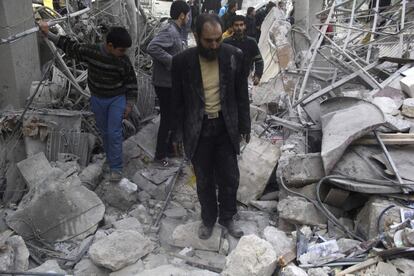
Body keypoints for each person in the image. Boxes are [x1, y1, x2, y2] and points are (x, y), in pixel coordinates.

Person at [171, 14, 251, 239]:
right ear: (196, 37)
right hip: (199, 129)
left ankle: (228, 217)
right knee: (204, 179)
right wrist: (176, 134)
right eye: (209, 41)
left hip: (226, 127)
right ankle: (208, 219)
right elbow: (176, 102)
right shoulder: (182, 62)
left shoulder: (234, 56)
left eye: (218, 39)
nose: (215, 45)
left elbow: (241, 95)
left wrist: (245, 124)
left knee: (230, 177)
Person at [38, 23, 138, 182]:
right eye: (121, 50)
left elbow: (132, 84)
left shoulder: (123, 61)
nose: (123, 53)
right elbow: (70, 46)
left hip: (116, 99)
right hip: (98, 99)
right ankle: (110, 159)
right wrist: (48, 34)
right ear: (110, 45)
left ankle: (116, 168)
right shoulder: (92, 51)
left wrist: (129, 104)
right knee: (105, 133)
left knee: (114, 133)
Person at [147, 1, 190, 166]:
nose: (189, 18)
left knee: (173, 117)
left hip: (171, 83)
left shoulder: (177, 31)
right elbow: (152, 47)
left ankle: (170, 150)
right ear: (182, 15)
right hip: (164, 84)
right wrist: (173, 62)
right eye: (188, 15)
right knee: (167, 118)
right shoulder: (169, 31)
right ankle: (160, 155)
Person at [223, 15, 263, 86]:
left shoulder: (251, 42)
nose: (239, 28)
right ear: (232, 27)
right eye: (236, 25)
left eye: (241, 25)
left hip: (247, 78)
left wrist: (257, 75)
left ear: (245, 26)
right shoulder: (226, 42)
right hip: (230, 80)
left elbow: (259, 60)